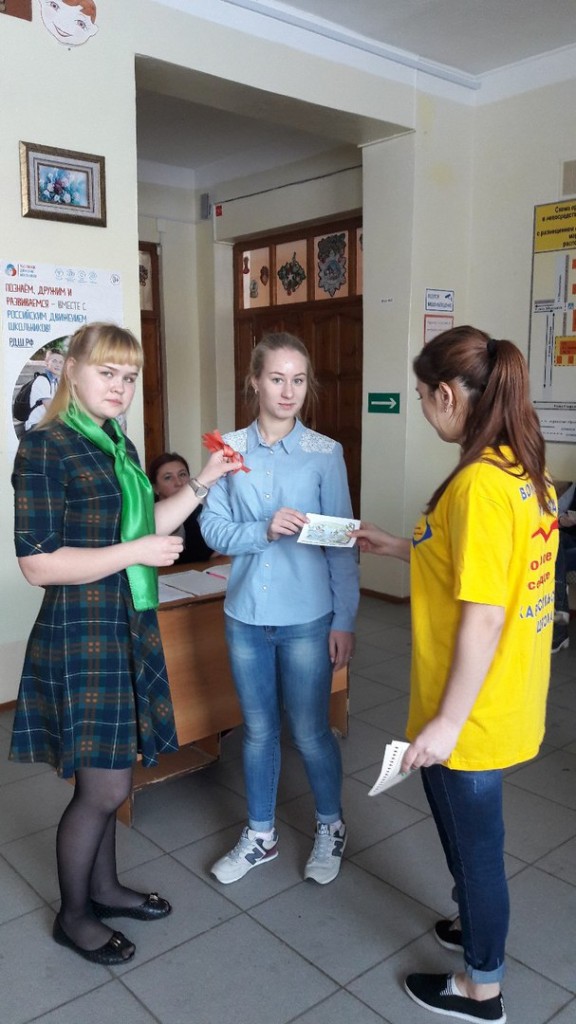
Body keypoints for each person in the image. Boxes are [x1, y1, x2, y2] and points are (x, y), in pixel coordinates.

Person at [10, 322, 234, 965]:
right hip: (81, 629)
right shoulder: (46, 445)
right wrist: (134, 553)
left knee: (113, 771)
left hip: (124, 621)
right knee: (104, 789)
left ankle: (105, 889)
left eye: (129, 376)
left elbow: (146, 525)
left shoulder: (117, 442)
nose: (120, 386)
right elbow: (38, 563)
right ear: (72, 371)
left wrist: (206, 479)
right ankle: (74, 916)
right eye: (107, 372)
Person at [353, 326, 557, 1024]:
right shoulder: (522, 468)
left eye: (420, 395)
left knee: (477, 851)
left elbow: (486, 616)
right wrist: (394, 545)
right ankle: (474, 925)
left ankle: (481, 989)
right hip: (503, 694)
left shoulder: (477, 485)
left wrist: (446, 722)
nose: (421, 408)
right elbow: (472, 567)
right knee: (471, 840)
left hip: (471, 705)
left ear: (447, 394)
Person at [200, 332, 359, 886]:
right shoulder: (228, 451)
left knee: (312, 731)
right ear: (255, 382)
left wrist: (345, 619)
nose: (288, 391)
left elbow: (341, 541)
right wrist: (261, 531)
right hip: (245, 615)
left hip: (308, 617)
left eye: (298, 380)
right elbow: (212, 528)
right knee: (259, 730)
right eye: (276, 379)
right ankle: (261, 834)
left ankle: (331, 825)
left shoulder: (324, 453)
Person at [148, 451, 215, 564]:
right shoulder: (146, 518)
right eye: (168, 477)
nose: (178, 483)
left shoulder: (200, 512)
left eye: (182, 475)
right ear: (155, 488)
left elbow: (213, 554)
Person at [551, 480, 576, 652]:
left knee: (554, 561)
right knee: (555, 539)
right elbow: (555, 510)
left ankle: (560, 631)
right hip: (567, 539)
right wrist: (562, 519)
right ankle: (559, 632)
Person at [24, 345, 65, 431]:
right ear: (47, 362)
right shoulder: (42, 380)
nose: (58, 365)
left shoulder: (55, 381)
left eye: (61, 362)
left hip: (48, 424)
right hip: (36, 425)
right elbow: (51, 409)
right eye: (54, 361)